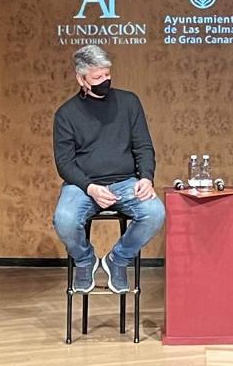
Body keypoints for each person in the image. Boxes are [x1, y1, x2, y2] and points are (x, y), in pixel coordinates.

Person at [52, 45, 164, 293]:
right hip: (83, 185)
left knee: (155, 212)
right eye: (97, 77)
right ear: (81, 79)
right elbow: (64, 163)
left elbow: (143, 146)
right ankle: (84, 260)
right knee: (65, 219)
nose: (105, 81)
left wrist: (146, 177)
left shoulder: (129, 102)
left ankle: (118, 259)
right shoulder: (66, 114)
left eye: (107, 74)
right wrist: (90, 188)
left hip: (126, 181)